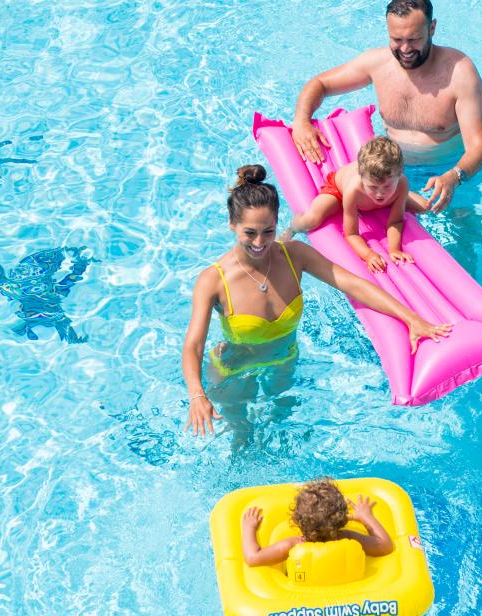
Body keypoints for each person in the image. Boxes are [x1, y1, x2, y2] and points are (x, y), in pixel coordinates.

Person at [182, 164, 452, 436]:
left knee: (282, 424)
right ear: (232, 224)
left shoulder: (294, 255)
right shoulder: (213, 281)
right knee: (243, 437)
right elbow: (193, 344)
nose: (260, 242)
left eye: (268, 231)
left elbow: (354, 284)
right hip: (234, 371)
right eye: (249, 232)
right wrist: (197, 396)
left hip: (284, 359)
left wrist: (411, 318)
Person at [291, 0, 482, 213]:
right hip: (390, 174)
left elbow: (479, 148)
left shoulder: (460, 73)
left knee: (464, 237)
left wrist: (454, 176)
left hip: (448, 171)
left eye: (414, 39)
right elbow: (319, 84)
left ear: (432, 28)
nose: (405, 49)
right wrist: (301, 121)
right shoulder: (378, 63)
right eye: (396, 39)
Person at [285, 136, 428, 273]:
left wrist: (394, 250)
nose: (379, 194)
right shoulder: (353, 191)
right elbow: (351, 234)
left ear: (399, 175)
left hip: (385, 192)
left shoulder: (402, 184)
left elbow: (395, 221)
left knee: (424, 206)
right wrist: (368, 255)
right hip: (339, 191)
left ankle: (398, 196)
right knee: (311, 220)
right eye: (372, 187)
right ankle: (292, 228)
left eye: (387, 187)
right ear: (361, 176)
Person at [241, 478, 393, 566]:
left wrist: (249, 528)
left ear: (296, 520)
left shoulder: (292, 545)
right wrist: (366, 517)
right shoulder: (348, 538)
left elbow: (253, 558)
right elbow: (385, 546)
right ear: (343, 518)